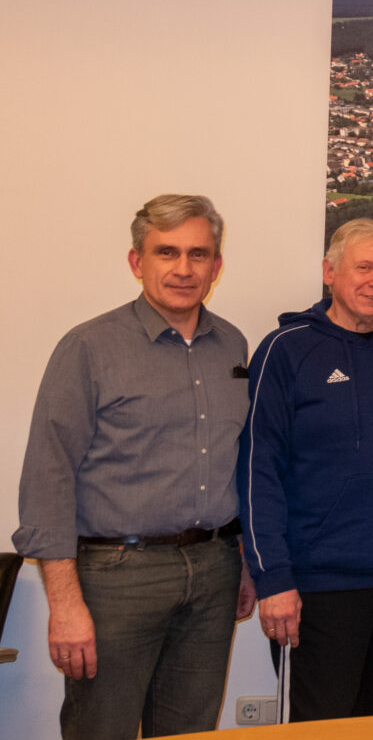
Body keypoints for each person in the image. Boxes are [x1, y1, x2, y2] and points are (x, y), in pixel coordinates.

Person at [13, 195, 252, 739]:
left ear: (216, 266)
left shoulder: (232, 346)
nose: (184, 268)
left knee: (190, 729)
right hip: (117, 577)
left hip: (213, 570)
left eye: (199, 254)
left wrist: (240, 556)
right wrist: (65, 603)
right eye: (167, 252)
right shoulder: (88, 348)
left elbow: (235, 458)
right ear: (135, 261)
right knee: (102, 729)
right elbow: (47, 477)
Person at [238, 217, 373, 721]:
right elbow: (258, 468)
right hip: (315, 585)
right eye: (364, 267)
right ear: (329, 272)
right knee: (317, 726)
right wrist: (272, 579)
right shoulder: (287, 350)